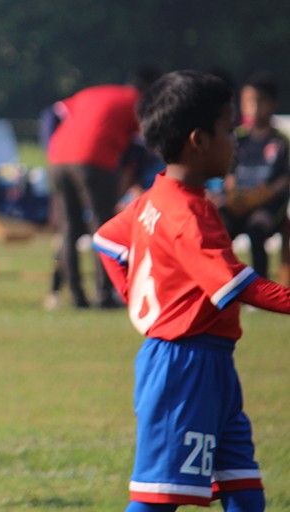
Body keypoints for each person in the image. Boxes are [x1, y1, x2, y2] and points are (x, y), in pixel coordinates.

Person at [92, 70, 290, 511]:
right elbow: (242, 285)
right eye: (228, 130)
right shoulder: (187, 214)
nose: (236, 142)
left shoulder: (158, 195)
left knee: (244, 488)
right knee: (157, 500)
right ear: (198, 140)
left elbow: (106, 240)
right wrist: (154, 314)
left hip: (212, 365)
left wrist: (141, 302)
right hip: (183, 368)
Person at [46, 68, 159, 308]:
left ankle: (76, 295)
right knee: (103, 226)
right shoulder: (137, 101)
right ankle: (104, 293)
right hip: (94, 159)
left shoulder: (91, 92)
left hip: (58, 158)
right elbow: (141, 150)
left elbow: (51, 114)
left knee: (69, 229)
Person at [218, 71, 289, 280]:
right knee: (217, 227)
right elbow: (228, 173)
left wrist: (262, 195)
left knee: (256, 228)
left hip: (269, 206)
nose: (254, 107)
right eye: (249, 101)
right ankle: (224, 282)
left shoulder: (281, 140)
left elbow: (285, 178)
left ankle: (260, 285)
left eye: (260, 101)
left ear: (273, 103)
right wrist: (234, 195)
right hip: (239, 202)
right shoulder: (238, 137)